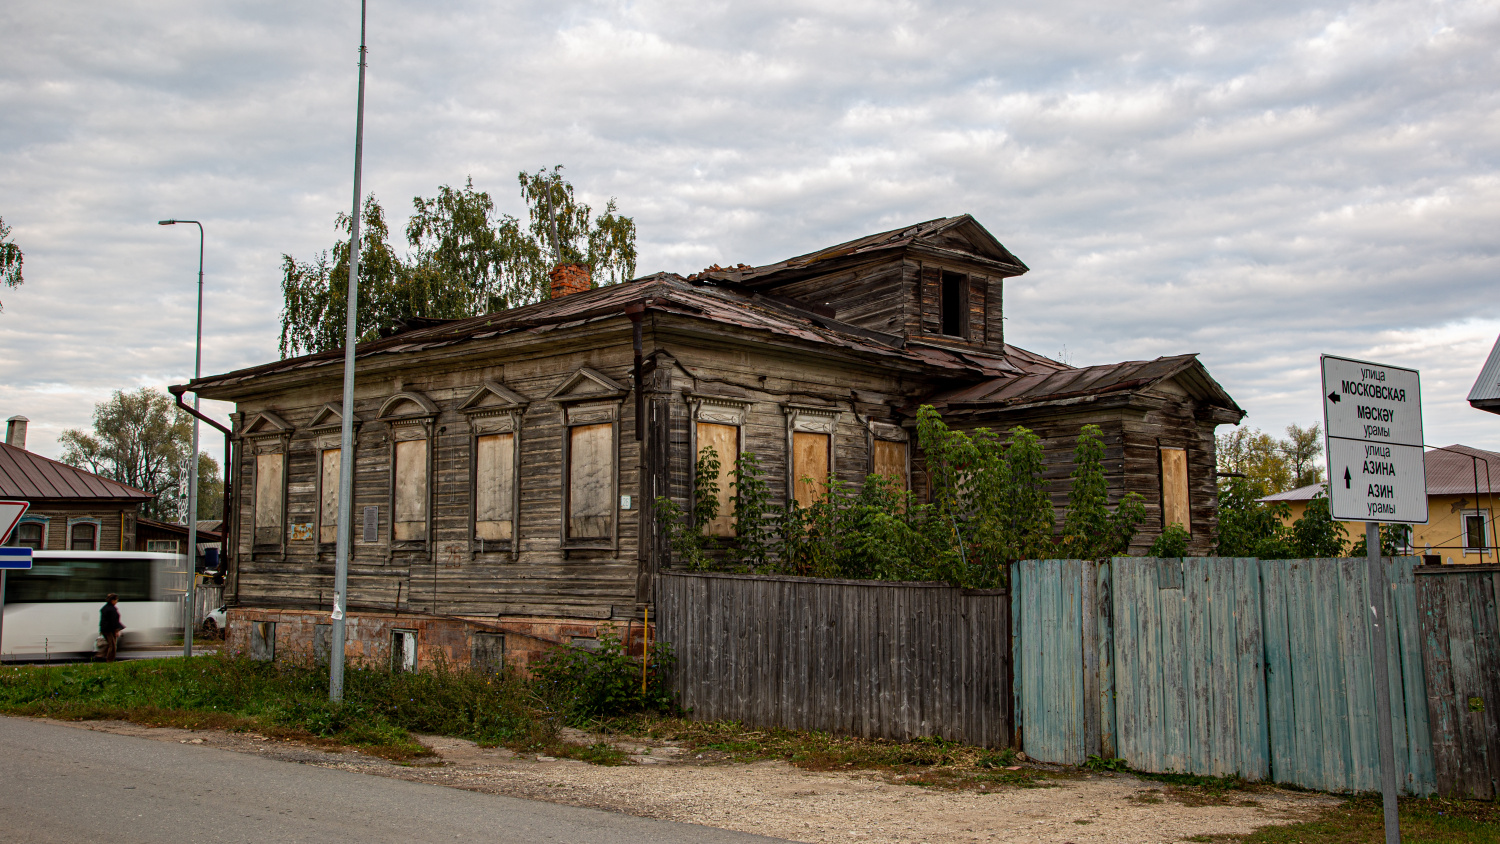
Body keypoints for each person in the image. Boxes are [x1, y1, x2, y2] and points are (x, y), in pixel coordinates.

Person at [98, 593, 124, 662]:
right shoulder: (111, 609)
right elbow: (113, 621)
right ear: (112, 600)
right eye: (116, 600)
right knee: (112, 646)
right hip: (109, 630)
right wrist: (117, 630)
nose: (117, 601)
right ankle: (110, 660)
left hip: (106, 629)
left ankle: (103, 656)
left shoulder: (106, 608)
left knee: (111, 645)